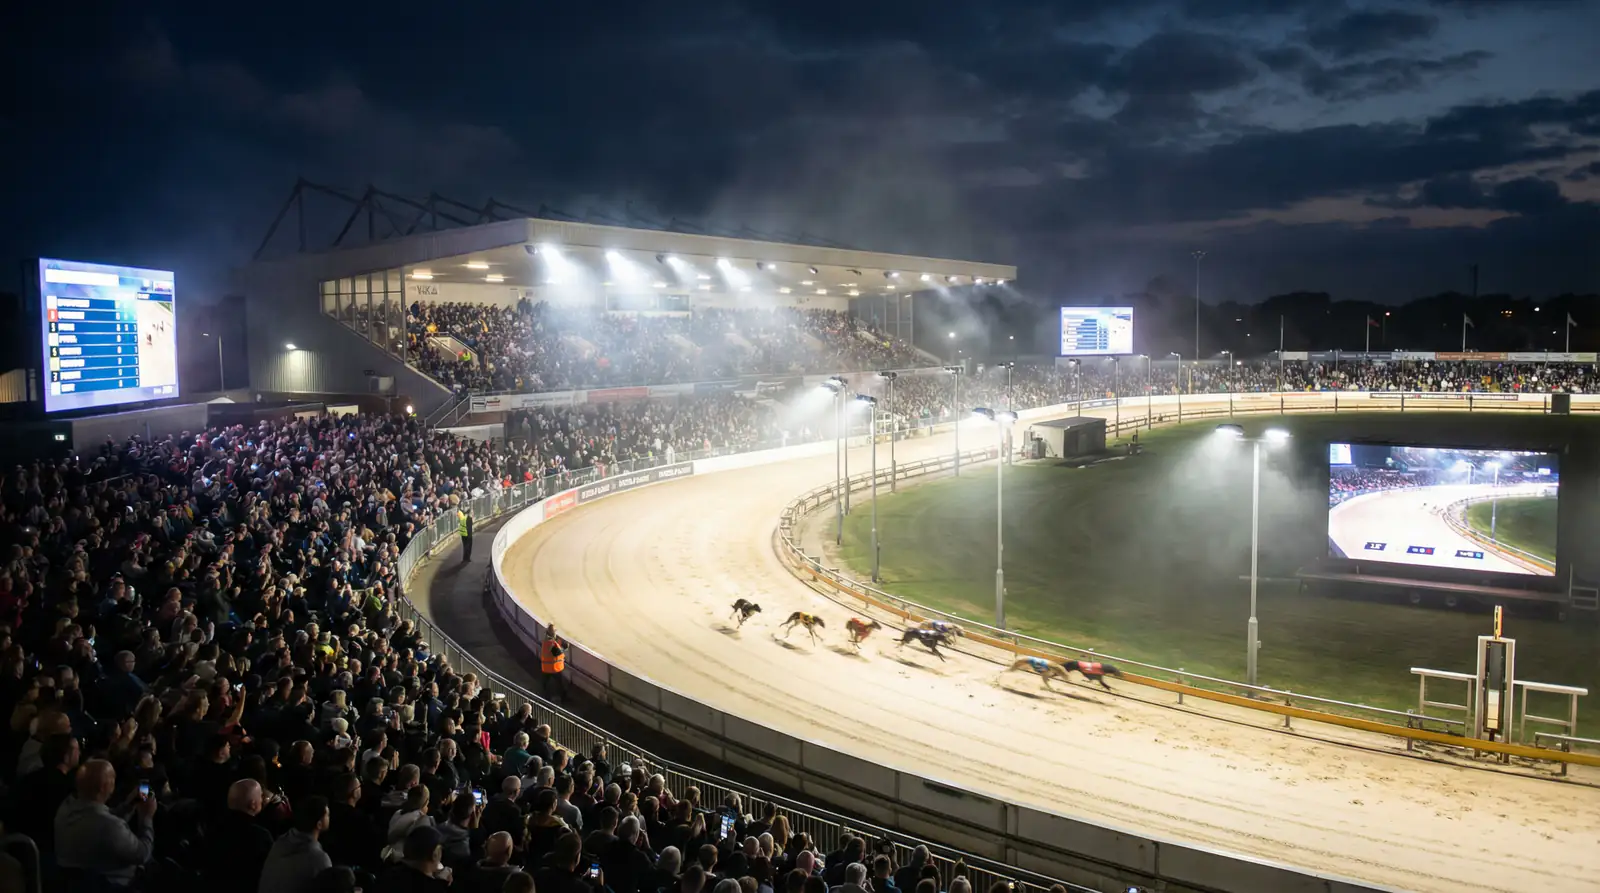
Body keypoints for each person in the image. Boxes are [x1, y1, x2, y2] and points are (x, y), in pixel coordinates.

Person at [54, 758, 156, 888]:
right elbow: (143, 854)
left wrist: (129, 806)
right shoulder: (108, 826)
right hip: (117, 884)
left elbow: (103, 820)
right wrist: (147, 817)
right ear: (103, 787)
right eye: (112, 778)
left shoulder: (66, 808)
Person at [205, 779, 275, 893]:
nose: (263, 799)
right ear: (252, 804)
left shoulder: (212, 828)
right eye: (261, 796)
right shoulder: (260, 836)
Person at [260, 796, 334, 893]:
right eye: (327, 815)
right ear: (319, 824)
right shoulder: (319, 858)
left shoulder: (279, 843)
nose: (329, 817)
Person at [540, 625, 569, 703]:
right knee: (560, 684)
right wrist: (565, 647)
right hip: (554, 668)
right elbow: (557, 652)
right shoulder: (551, 643)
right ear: (553, 634)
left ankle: (545, 699)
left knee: (545, 684)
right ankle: (563, 699)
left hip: (545, 668)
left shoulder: (545, 641)